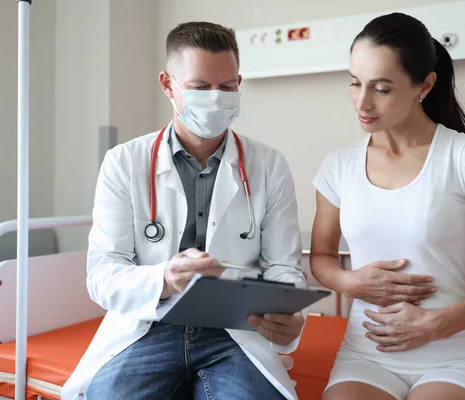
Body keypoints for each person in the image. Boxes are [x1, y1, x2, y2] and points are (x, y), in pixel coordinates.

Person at [62, 22, 307, 400]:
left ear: (239, 83)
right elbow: (103, 273)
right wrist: (165, 279)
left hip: (233, 331)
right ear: (167, 85)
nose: (216, 99)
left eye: (227, 88)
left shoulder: (269, 165)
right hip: (150, 322)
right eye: (199, 88)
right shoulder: (124, 163)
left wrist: (289, 316)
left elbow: (283, 267)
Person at [310, 12, 465, 400]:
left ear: (425, 84)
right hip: (366, 355)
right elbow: (320, 256)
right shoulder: (337, 166)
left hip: (454, 356)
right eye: (355, 83)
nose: (362, 102)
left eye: (382, 89)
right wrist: (347, 281)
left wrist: (436, 324)